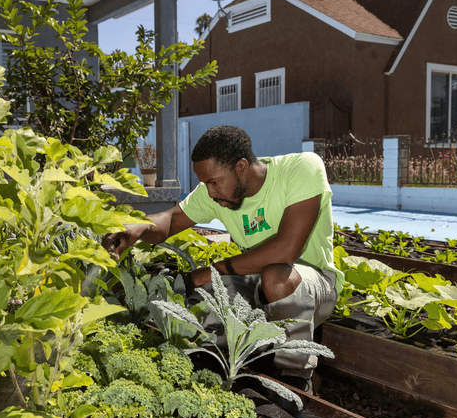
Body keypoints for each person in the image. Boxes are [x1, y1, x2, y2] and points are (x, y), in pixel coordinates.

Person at [102, 125, 344, 393]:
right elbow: (170, 220)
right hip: (256, 281)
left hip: (312, 286)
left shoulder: (301, 169)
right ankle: (240, 358)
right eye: (205, 183)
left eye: (213, 182)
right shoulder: (217, 194)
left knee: (274, 276)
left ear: (241, 167)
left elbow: (285, 251)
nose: (210, 191)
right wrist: (138, 226)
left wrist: (207, 273)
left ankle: (296, 376)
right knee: (202, 298)